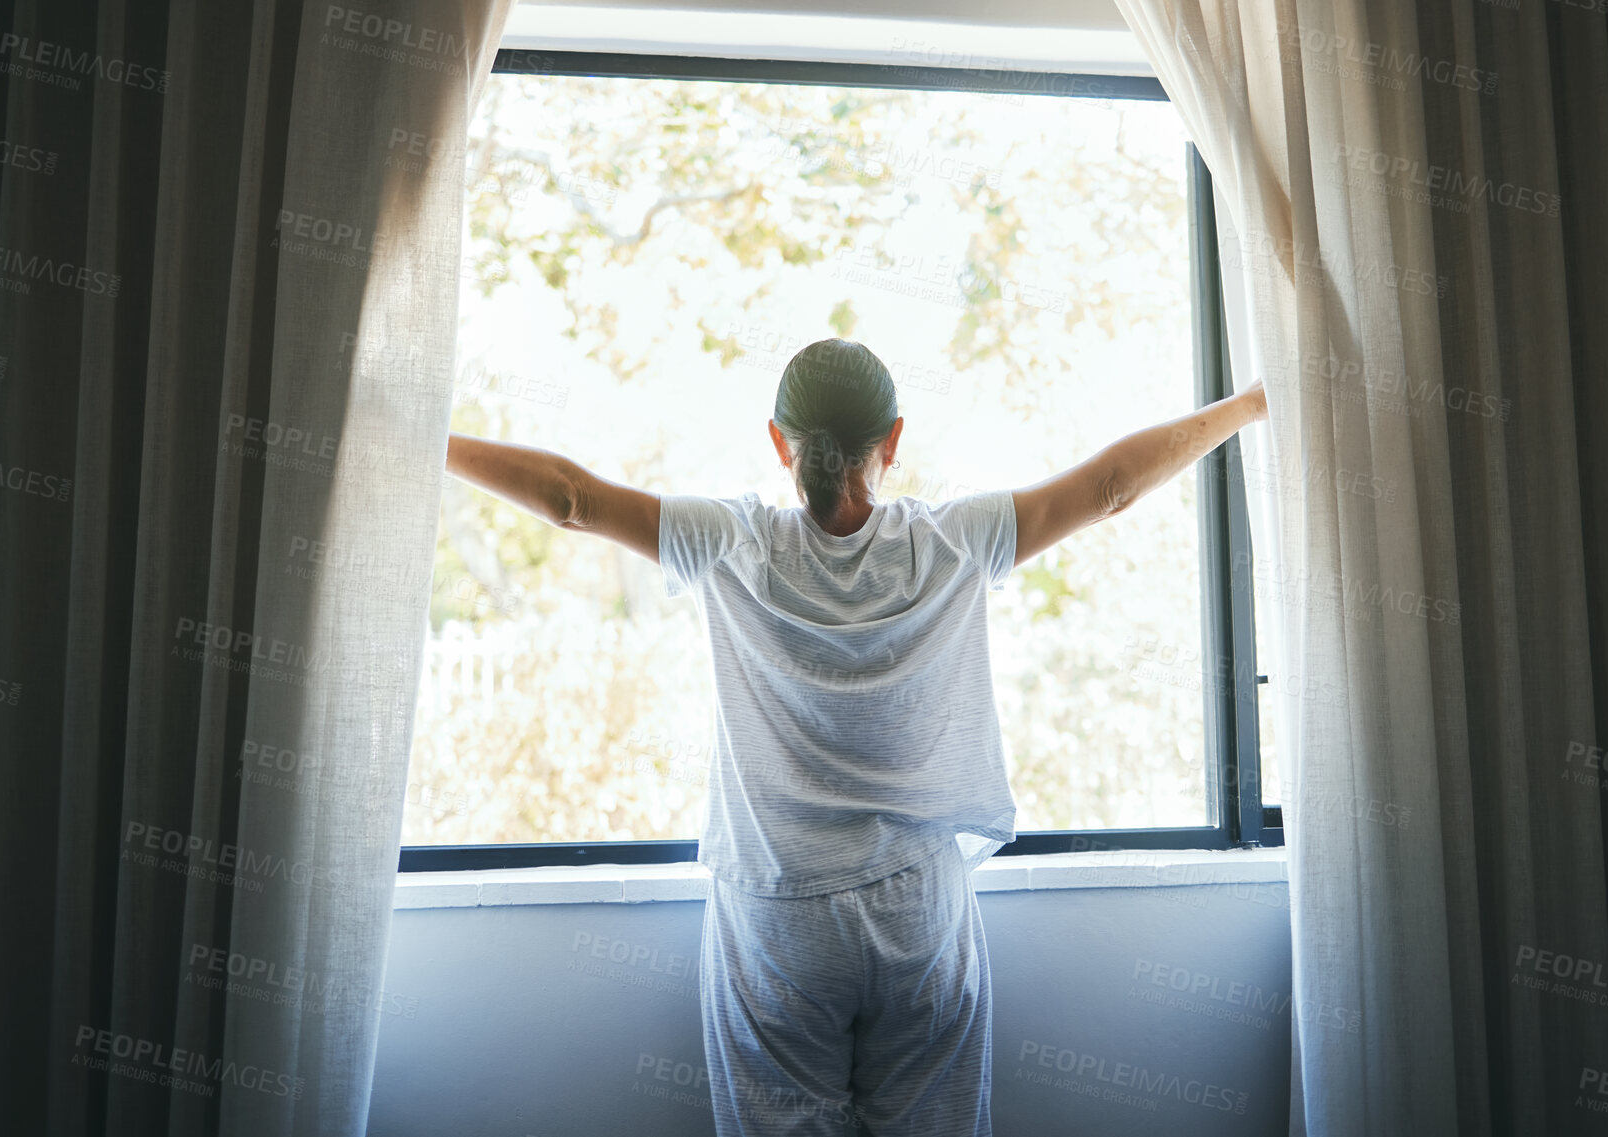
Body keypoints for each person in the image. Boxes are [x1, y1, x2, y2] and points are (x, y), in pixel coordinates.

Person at [444, 338, 1269, 1136]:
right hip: (918, 916)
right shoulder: (955, 539)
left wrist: (430, 438)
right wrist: (1255, 402)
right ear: (894, 441)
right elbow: (1114, 486)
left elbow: (569, 499)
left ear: (779, 443)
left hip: (778, 921)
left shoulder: (728, 541)